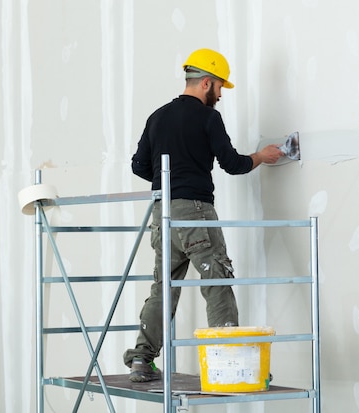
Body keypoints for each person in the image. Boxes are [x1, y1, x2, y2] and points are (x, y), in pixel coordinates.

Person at [123, 48, 284, 382]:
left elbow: (140, 165)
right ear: (206, 83)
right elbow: (232, 164)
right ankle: (230, 364)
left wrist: (169, 176)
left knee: (162, 288)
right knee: (216, 282)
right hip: (195, 212)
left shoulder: (157, 117)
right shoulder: (208, 118)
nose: (221, 95)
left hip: (161, 213)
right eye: (220, 87)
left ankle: (141, 360)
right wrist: (261, 156)